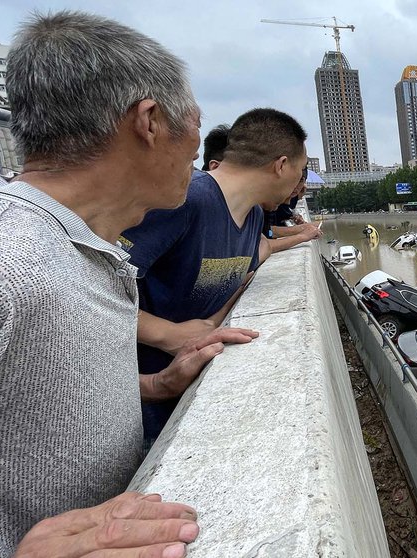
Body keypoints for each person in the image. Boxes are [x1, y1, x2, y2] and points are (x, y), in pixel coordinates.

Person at [0, 11, 258, 556]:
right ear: (149, 121)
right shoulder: (13, 263)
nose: (199, 149)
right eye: (194, 126)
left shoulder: (88, 248)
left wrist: (156, 385)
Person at [121, 108, 318, 442]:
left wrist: (212, 323)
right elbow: (87, 288)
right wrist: (169, 334)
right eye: (299, 173)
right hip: (134, 403)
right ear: (281, 166)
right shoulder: (185, 200)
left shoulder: (254, 215)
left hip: (183, 394)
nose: (297, 188)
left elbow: (257, 256)